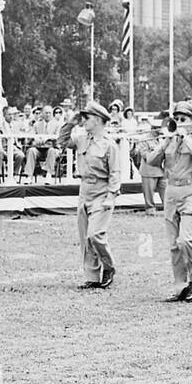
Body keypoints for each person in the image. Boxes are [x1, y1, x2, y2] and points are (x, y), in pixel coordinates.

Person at [145, 103, 192, 302]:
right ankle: (180, 286)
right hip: (172, 192)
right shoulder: (170, 139)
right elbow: (151, 160)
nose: (179, 123)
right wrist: (165, 143)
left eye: (184, 119)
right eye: (177, 119)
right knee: (174, 244)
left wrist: (185, 137)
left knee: (186, 240)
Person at [69, 100, 120, 289]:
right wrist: (70, 123)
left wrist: (111, 196)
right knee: (85, 236)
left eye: (87, 118)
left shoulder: (109, 145)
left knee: (95, 234)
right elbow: (61, 141)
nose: (84, 121)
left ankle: (109, 266)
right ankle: (92, 276)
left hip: (101, 191)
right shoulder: (82, 139)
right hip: (85, 190)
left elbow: (115, 173)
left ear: (98, 120)